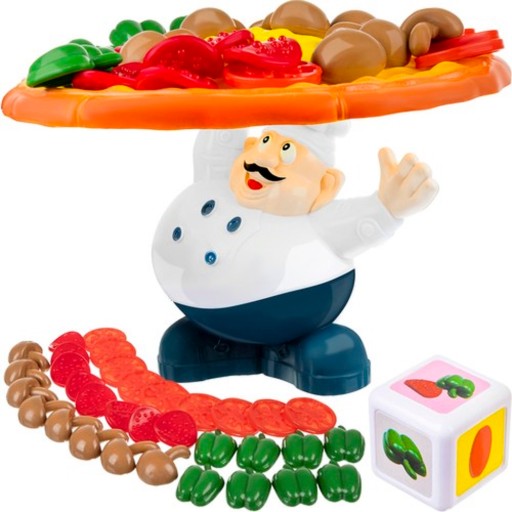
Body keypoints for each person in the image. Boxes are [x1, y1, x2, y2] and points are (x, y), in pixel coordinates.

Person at [152, 123, 438, 395]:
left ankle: (298, 349)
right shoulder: (218, 181)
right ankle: (214, 342)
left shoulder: (316, 223)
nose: (264, 161)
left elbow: (362, 224)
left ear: (326, 186)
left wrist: (387, 207)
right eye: (264, 142)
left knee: (333, 353)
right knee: (180, 345)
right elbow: (219, 136)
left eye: (286, 152)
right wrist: (231, 101)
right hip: (203, 319)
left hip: (291, 319)